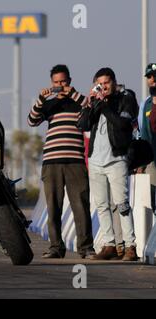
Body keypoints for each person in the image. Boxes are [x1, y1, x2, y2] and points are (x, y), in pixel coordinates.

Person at [27, 64, 95, 259]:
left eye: (63, 81)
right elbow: (32, 121)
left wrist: (72, 93)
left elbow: (89, 107)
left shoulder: (79, 101)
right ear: (51, 83)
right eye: (56, 82)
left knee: (80, 205)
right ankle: (56, 247)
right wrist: (41, 99)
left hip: (75, 161)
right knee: (53, 206)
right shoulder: (49, 104)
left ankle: (86, 247)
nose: (60, 85)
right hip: (52, 162)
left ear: (70, 81)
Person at [77, 67, 139, 261]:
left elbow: (122, 124)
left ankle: (130, 246)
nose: (103, 87)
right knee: (102, 205)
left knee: (122, 204)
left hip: (117, 158)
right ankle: (109, 244)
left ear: (113, 82)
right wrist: (89, 104)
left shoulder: (126, 97)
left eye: (106, 83)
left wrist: (105, 105)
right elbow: (83, 125)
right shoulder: (96, 102)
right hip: (95, 159)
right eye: (99, 84)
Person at [139, 63, 156, 214]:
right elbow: (144, 132)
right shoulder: (146, 104)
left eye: (155, 76)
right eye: (149, 76)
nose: (153, 79)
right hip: (152, 159)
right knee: (153, 197)